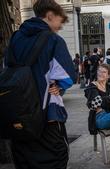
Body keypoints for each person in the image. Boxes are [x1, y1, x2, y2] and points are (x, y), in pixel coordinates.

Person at [4, 0, 76, 168]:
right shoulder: (53, 40)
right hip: (47, 114)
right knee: (54, 158)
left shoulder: (15, 37)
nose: (60, 26)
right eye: (60, 21)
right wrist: (60, 86)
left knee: (24, 160)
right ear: (50, 15)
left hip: (18, 112)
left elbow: (6, 67)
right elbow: (69, 75)